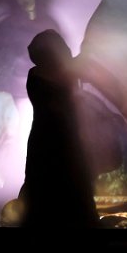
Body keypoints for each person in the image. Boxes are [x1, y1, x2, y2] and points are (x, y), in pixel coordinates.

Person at [16, 30, 99, 228]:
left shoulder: (39, 75)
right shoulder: (49, 77)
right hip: (58, 142)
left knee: (47, 187)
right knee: (67, 184)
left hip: (48, 141)